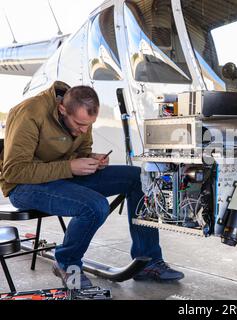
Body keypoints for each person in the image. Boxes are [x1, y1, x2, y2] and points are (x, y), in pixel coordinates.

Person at [0, 81, 184, 288]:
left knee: (139, 178)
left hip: (62, 177)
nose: (84, 129)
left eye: (89, 124)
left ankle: (147, 261)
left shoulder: (80, 113)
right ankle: (67, 263)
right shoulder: (30, 112)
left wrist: (91, 159)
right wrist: (70, 167)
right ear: (62, 110)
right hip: (23, 186)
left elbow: (78, 151)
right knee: (95, 206)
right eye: (79, 124)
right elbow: (14, 171)